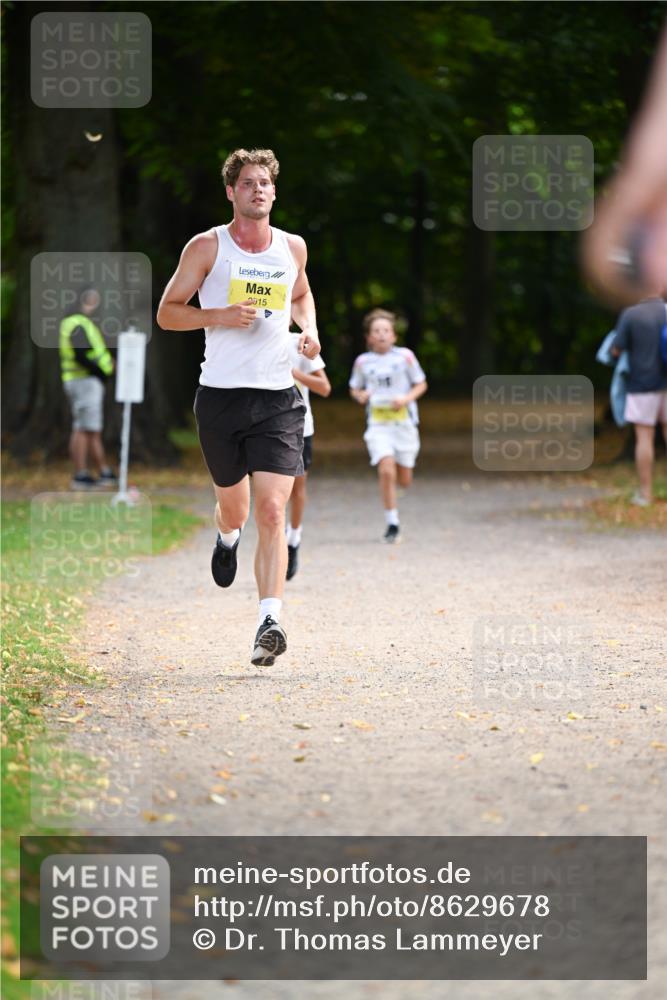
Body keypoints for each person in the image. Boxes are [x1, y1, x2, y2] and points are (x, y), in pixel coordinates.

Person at [156, 148, 320, 666]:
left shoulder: (292, 246)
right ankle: (226, 536)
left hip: (278, 398)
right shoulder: (208, 247)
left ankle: (269, 620)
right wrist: (219, 315)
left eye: (266, 183)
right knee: (238, 509)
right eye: (248, 183)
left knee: (272, 509)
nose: (258, 191)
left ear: (275, 191)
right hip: (222, 398)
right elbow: (166, 314)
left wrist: (309, 330)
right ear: (231, 191)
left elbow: (301, 296)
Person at [349, 308, 427, 542]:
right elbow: (355, 388)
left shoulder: (405, 357)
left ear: (393, 335)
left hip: (404, 424)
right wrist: (359, 396)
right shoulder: (363, 362)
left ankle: (399, 483)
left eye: (386, 330)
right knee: (385, 469)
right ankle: (392, 523)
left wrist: (405, 399)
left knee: (404, 479)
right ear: (369, 337)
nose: (381, 334)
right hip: (378, 425)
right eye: (376, 331)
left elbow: (421, 384)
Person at [611, 292, 667, 505]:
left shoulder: (631, 314)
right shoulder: (666, 311)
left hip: (642, 385)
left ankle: (646, 493)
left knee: (645, 439)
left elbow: (616, 350)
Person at [59, 288, 116, 490]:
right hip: (85, 381)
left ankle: (98, 471)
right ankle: (83, 474)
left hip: (79, 380)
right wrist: (102, 372)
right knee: (86, 428)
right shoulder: (78, 323)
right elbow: (81, 355)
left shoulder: (74, 322)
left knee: (84, 427)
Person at [285, 331, 331, 580]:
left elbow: (325, 387)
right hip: (261, 427)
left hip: (301, 426)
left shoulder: (299, 343)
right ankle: (277, 542)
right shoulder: (248, 334)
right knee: (271, 492)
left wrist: (294, 374)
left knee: (296, 487)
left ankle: (293, 539)